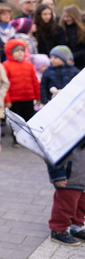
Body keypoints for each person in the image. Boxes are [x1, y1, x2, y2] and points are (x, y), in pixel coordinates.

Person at [39, 46, 85, 246]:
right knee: (65, 204)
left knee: (81, 204)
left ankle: (77, 225)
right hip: (67, 174)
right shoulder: (59, 129)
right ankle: (58, 229)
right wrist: (57, 175)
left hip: (82, 173)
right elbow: (51, 151)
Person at [2, 39, 41, 149]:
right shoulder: (6, 65)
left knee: (29, 119)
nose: (20, 53)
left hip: (28, 98)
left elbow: (35, 82)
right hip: (15, 99)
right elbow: (5, 84)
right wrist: (7, 100)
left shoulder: (29, 65)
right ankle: (17, 139)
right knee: (17, 121)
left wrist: (37, 97)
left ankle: (29, 138)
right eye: (17, 51)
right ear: (10, 52)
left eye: (22, 50)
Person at [60, 5, 85, 71]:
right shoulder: (62, 28)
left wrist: (72, 56)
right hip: (68, 63)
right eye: (64, 17)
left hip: (81, 63)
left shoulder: (82, 30)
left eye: (68, 16)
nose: (65, 19)